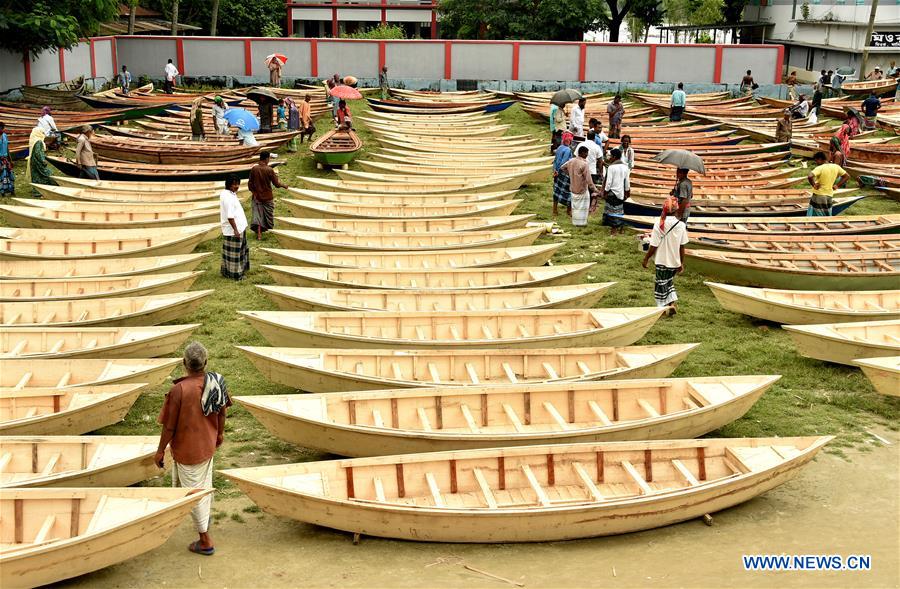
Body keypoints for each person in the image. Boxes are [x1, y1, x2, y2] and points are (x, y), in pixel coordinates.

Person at [155, 341, 231, 557]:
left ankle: (205, 540)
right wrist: (219, 434)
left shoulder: (179, 390)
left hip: (187, 452)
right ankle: (205, 520)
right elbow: (222, 413)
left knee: (193, 493)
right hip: (207, 446)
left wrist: (160, 450)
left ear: (184, 363)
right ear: (205, 362)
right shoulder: (216, 382)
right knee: (203, 485)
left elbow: (169, 426)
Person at [642, 197, 688, 316]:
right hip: (674, 261)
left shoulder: (659, 224)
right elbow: (682, 247)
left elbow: (654, 245)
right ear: (676, 210)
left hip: (662, 260)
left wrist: (646, 258)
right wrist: (681, 263)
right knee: (668, 282)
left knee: (660, 285)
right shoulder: (681, 225)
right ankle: (671, 304)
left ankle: (662, 309)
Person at [249, 151, 288, 238]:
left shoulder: (254, 169)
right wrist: (284, 186)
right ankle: (266, 230)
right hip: (267, 197)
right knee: (268, 214)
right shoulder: (269, 170)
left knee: (258, 215)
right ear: (267, 159)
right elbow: (277, 184)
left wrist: (254, 193)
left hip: (256, 196)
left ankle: (259, 234)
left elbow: (250, 184)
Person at [560, 145, 599, 227]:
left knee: (575, 207)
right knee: (583, 208)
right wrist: (595, 190)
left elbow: (562, 167)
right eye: (586, 153)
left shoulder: (571, 161)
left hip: (573, 189)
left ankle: (575, 222)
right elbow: (589, 180)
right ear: (581, 153)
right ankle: (581, 223)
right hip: (582, 189)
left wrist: (570, 174)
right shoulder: (584, 164)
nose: (587, 155)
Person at [219, 175, 249, 280]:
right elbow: (230, 216)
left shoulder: (228, 193)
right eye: (234, 184)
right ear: (228, 184)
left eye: (238, 184)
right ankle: (237, 275)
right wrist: (235, 230)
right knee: (235, 255)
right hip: (234, 229)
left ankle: (227, 272)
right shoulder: (228, 197)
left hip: (238, 227)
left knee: (235, 253)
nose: (237, 186)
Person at [806, 151, 849, 216]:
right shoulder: (835, 167)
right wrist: (837, 185)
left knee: (817, 215)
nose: (816, 163)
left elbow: (810, 176)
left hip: (819, 195)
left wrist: (814, 185)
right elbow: (847, 176)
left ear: (820, 159)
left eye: (816, 161)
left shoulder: (820, 168)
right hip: (829, 195)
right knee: (827, 214)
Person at [601, 148, 630, 235]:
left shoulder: (611, 167)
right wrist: (627, 192)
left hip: (612, 191)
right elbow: (627, 182)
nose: (609, 158)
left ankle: (614, 230)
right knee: (619, 211)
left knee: (612, 211)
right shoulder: (625, 167)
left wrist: (605, 192)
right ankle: (620, 228)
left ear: (614, 157)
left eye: (610, 156)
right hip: (620, 192)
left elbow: (608, 182)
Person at [551, 132, 574, 218]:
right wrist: (560, 172)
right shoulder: (568, 150)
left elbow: (555, 160)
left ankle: (555, 209)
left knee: (556, 191)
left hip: (556, 172)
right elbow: (564, 163)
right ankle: (568, 211)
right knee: (568, 192)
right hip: (563, 173)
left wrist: (554, 171)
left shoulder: (560, 147)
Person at [27, 130, 56, 194]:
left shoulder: (34, 140)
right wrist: (43, 161)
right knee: (47, 174)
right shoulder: (39, 141)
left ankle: (37, 190)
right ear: (38, 133)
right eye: (42, 133)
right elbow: (38, 153)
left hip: (33, 160)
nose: (43, 134)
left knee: (36, 175)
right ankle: (53, 186)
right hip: (38, 161)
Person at [0, 122, 14, 196]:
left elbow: (7, 149)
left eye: (3, 128)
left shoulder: (5, 136)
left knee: (10, 175)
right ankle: (3, 192)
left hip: (6, 159)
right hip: (0, 160)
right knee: (2, 175)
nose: (3, 130)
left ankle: (12, 190)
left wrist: (11, 160)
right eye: (2, 128)